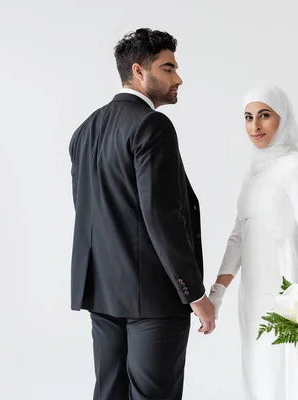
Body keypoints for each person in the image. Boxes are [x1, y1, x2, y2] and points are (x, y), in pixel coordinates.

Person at [68, 28, 215, 400]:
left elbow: (90, 213)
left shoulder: (84, 131)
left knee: (109, 394)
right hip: (153, 298)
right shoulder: (152, 125)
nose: (178, 78)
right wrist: (195, 293)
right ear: (138, 71)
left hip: (102, 292)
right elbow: (162, 217)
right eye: (168, 68)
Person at [208, 85, 298, 400]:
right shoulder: (254, 172)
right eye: (248, 117)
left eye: (265, 116)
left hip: (290, 301)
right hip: (253, 299)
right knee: (260, 379)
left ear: (283, 118)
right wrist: (217, 293)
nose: (255, 126)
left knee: (291, 381)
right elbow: (239, 236)